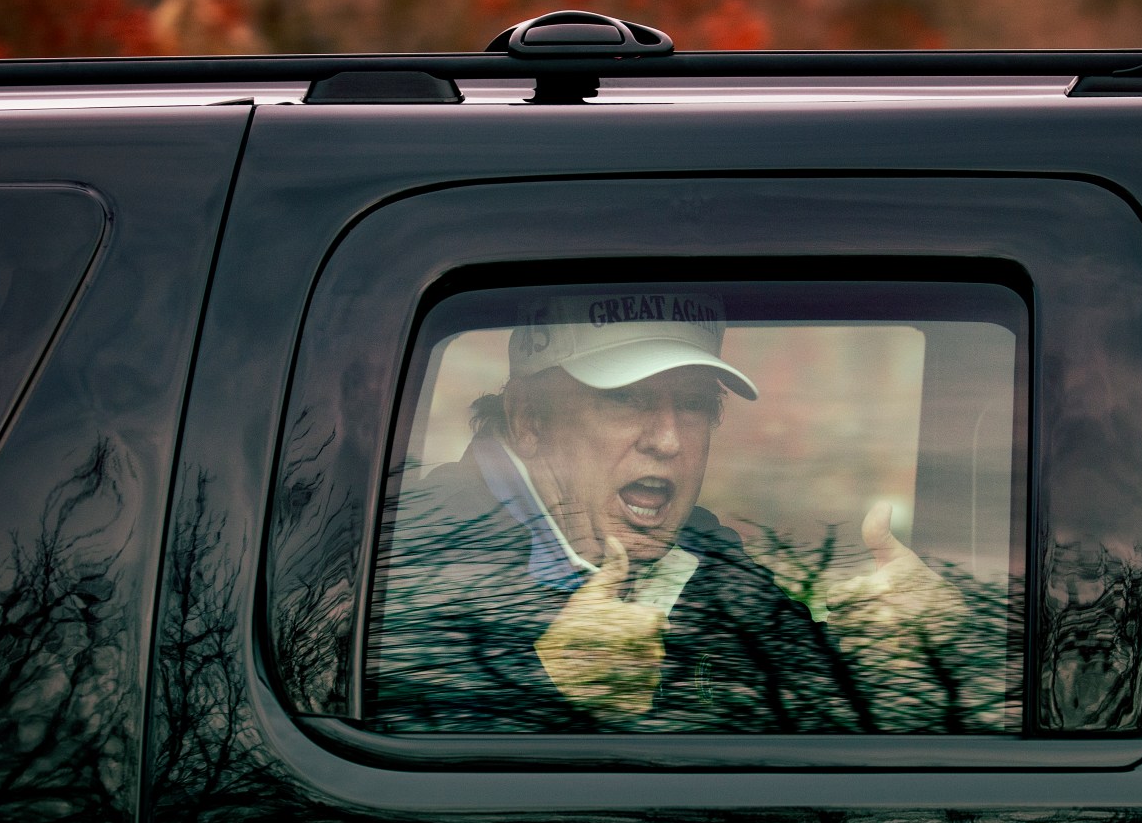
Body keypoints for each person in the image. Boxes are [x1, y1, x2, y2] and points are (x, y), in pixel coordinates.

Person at [367, 292, 963, 732]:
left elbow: (802, 694)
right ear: (529, 419)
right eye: (627, 398)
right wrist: (554, 693)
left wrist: (889, 649)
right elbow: (377, 740)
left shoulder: (706, 558)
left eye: (696, 404)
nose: (670, 440)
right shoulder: (409, 552)